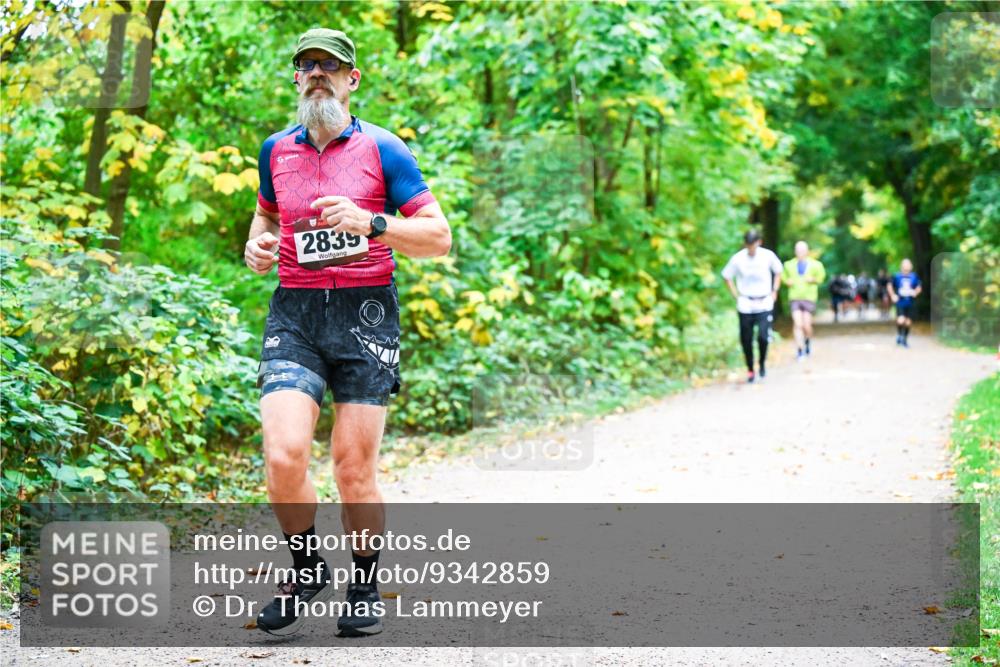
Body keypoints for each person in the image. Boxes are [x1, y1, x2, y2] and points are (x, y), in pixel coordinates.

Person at [243, 28, 451, 637]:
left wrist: (372, 222)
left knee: (352, 468)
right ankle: (307, 569)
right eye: (306, 66)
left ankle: (363, 586)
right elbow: (266, 214)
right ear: (296, 79)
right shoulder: (275, 150)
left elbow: (439, 238)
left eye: (329, 67)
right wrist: (256, 244)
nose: (316, 75)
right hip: (296, 315)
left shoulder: (385, 149)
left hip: (366, 314)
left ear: (351, 79)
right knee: (283, 454)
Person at [722, 229, 782, 383]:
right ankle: (750, 368)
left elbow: (778, 271)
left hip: (764, 301)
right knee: (746, 338)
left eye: (753, 245)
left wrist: (775, 290)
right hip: (746, 303)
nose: (751, 249)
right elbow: (727, 276)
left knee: (763, 336)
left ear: (759, 243)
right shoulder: (738, 258)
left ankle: (761, 363)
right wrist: (735, 295)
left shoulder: (767, 255)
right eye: (748, 245)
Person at [781, 241, 826, 361]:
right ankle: (800, 350)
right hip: (794, 297)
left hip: (809, 297)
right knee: (797, 324)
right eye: (797, 250)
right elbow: (782, 277)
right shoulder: (788, 265)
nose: (800, 252)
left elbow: (821, 277)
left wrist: (813, 279)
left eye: (802, 250)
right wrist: (787, 281)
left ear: (807, 251)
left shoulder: (816, 265)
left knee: (806, 325)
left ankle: (807, 341)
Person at [886, 258, 922, 348]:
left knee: (908, 322)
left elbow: (919, 287)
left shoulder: (914, 276)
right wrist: (893, 295)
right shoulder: (897, 276)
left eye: (908, 265)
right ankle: (899, 335)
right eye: (905, 265)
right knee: (901, 320)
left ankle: (904, 340)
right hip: (900, 302)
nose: (907, 267)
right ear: (902, 266)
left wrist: (915, 292)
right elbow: (889, 285)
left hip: (910, 302)